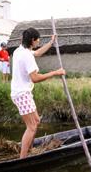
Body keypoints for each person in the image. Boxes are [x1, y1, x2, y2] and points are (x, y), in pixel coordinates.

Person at [11, 27, 66, 159]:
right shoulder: (26, 56)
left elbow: (38, 53)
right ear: (32, 40)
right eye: (38, 40)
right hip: (21, 94)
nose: (39, 41)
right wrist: (55, 72)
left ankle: (29, 150)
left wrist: (51, 43)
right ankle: (22, 158)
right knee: (31, 127)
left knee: (36, 121)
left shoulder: (20, 50)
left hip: (22, 93)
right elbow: (35, 78)